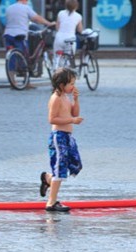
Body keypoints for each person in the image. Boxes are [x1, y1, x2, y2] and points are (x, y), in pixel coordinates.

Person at [39, 68, 82, 212]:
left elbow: (74, 112)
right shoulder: (56, 98)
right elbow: (52, 119)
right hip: (59, 136)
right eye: (70, 83)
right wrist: (72, 120)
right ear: (61, 84)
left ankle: (48, 179)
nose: (73, 86)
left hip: (68, 136)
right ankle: (51, 203)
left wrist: (76, 100)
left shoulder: (66, 96)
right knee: (60, 169)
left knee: (75, 164)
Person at [3, 0, 55, 88]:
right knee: (24, 57)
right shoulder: (25, 8)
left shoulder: (9, 8)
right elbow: (36, 18)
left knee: (11, 58)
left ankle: (12, 82)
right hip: (20, 35)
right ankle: (26, 82)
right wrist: (48, 23)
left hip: (8, 34)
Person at [53, 0, 83, 68]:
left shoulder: (60, 13)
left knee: (57, 57)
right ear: (76, 7)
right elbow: (80, 30)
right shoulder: (78, 16)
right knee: (69, 59)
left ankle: (56, 70)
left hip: (59, 38)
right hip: (70, 39)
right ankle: (66, 73)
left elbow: (57, 27)